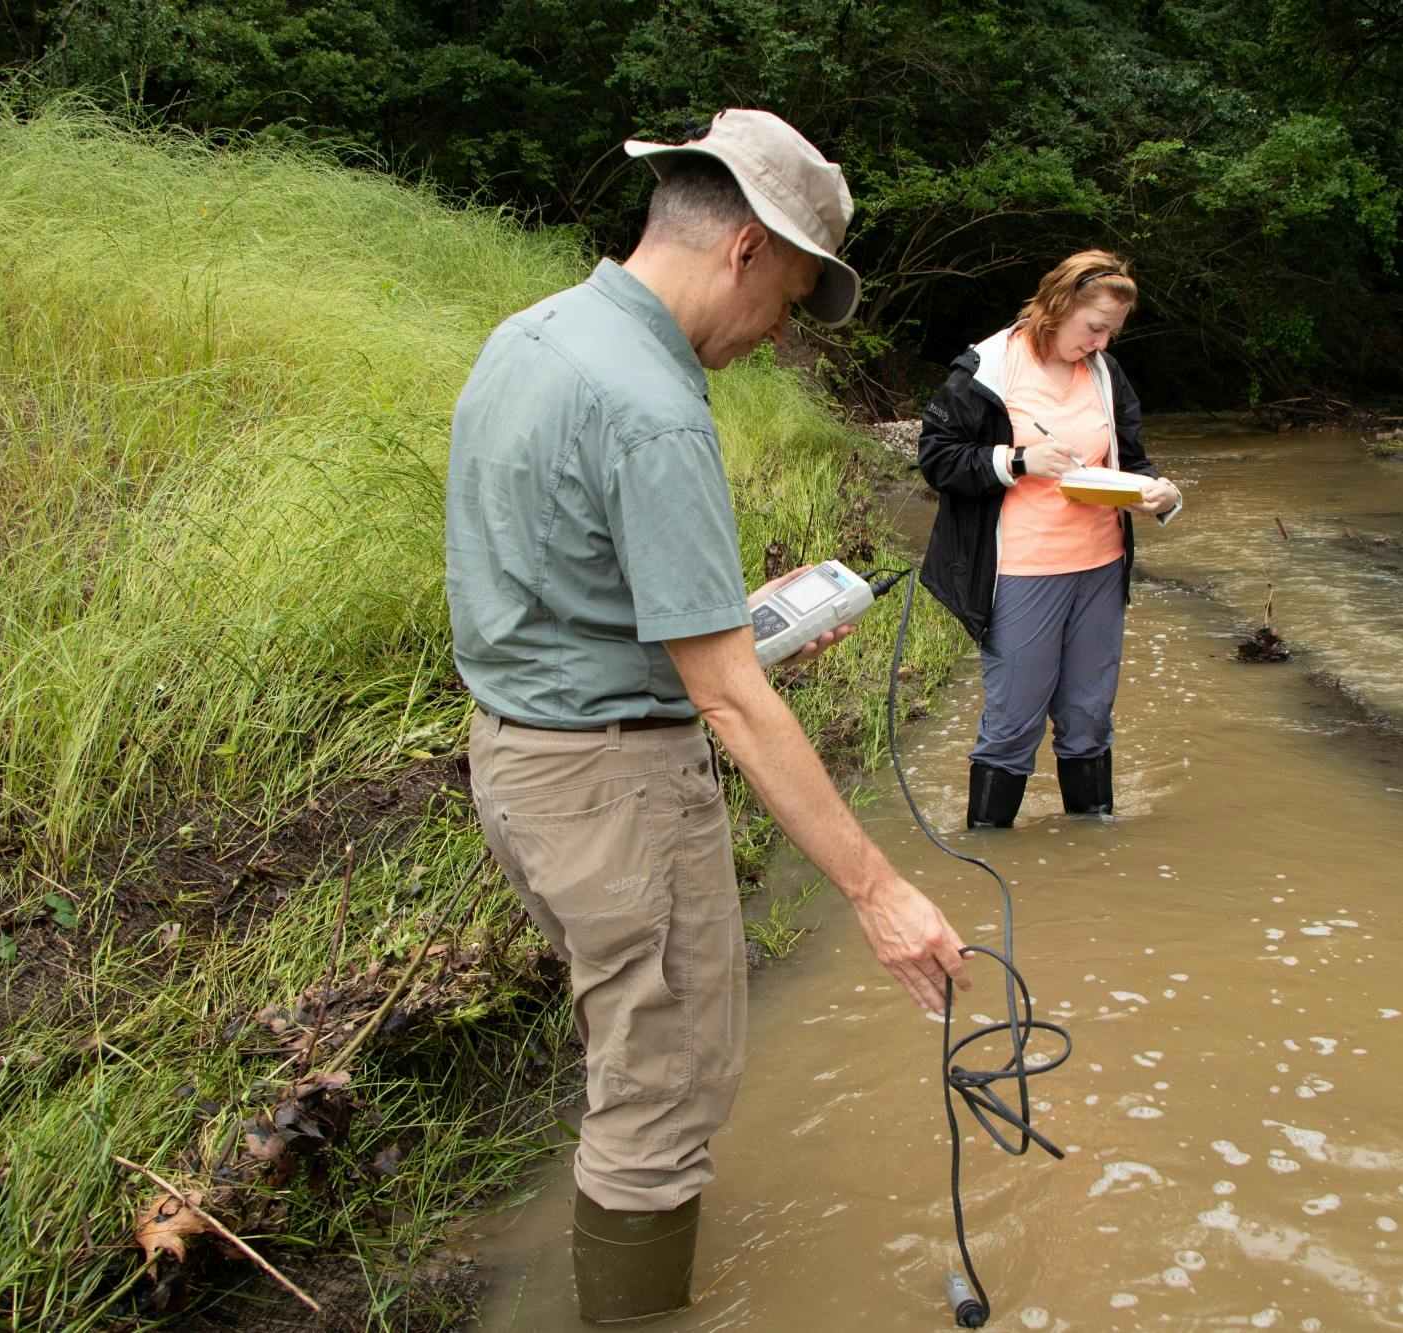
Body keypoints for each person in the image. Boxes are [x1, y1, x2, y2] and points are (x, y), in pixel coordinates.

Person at [444, 110, 971, 1324]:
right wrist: (879, 892)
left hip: (519, 766)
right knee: (658, 1103)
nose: (782, 331)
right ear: (743, 248)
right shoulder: (656, 407)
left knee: (630, 1044)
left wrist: (732, 616)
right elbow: (725, 694)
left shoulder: (531, 339)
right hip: (616, 796)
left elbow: (554, 578)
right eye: (790, 295)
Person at [916, 251, 1184, 828]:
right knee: (1013, 721)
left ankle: (1090, 857)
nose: (1102, 344)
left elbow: (1132, 461)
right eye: (1094, 328)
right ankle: (988, 851)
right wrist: (1020, 459)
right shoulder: (988, 368)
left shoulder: (1106, 375)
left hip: (1101, 566)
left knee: (1089, 717)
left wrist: (1160, 493)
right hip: (1020, 570)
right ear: (1057, 307)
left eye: (1111, 333)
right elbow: (937, 459)